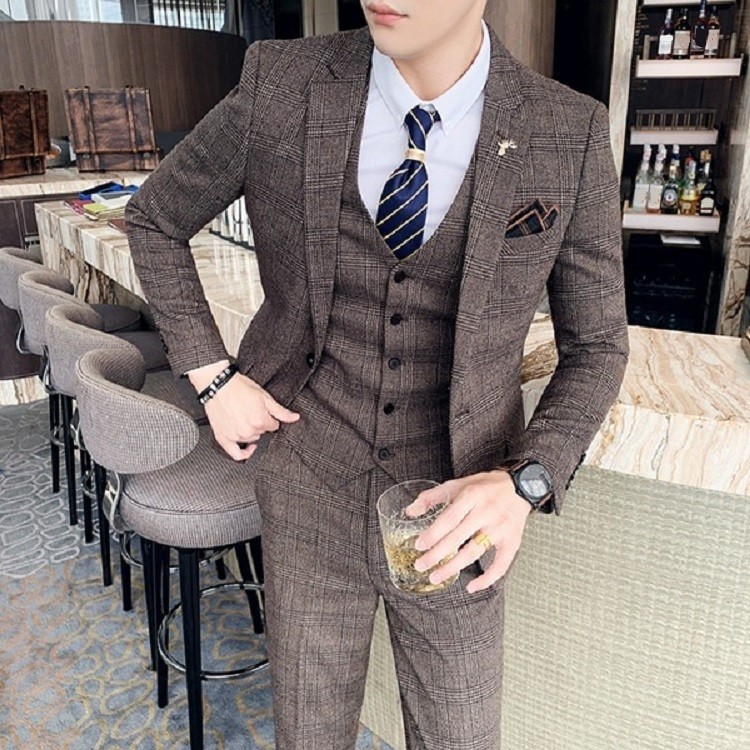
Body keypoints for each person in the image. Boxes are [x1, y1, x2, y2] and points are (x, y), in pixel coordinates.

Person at [125, 1, 629, 748]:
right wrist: (211, 374)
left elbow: (598, 345)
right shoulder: (283, 83)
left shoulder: (568, 131)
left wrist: (526, 482)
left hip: (456, 505)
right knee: (309, 731)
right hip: (307, 479)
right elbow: (155, 219)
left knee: (460, 735)